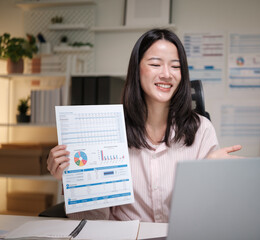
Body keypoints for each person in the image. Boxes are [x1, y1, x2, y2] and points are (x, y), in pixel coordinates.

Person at [47, 28, 241, 222]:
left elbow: (207, 214)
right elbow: (92, 223)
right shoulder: (106, 130)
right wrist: (76, 182)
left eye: (175, 66)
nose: (167, 74)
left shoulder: (201, 130)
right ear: (137, 69)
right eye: (155, 64)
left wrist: (206, 176)